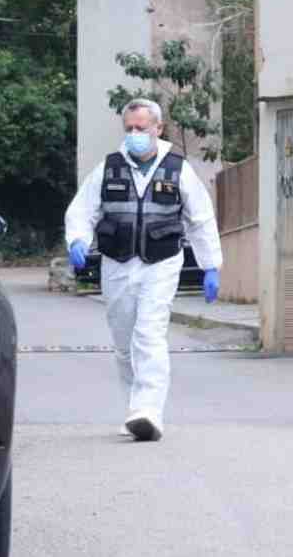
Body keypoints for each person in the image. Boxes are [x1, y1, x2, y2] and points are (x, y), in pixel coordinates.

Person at [65, 99, 222, 442]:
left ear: (158, 129)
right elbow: (82, 210)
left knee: (148, 335)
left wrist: (211, 266)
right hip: (117, 264)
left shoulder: (178, 169)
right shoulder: (108, 168)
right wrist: (77, 239)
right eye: (130, 129)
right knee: (124, 342)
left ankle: (149, 410)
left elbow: (201, 219)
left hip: (161, 262)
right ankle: (135, 411)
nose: (135, 134)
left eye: (141, 128)